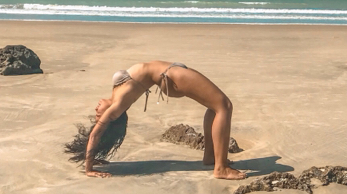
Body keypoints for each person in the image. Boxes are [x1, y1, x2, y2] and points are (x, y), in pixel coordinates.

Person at [66, 61, 246, 180]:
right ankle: (221, 168)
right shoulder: (117, 106)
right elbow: (95, 135)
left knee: (215, 107)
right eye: (99, 115)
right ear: (112, 118)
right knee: (224, 106)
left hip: (170, 73)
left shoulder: (116, 95)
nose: (96, 110)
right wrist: (89, 169)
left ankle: (210, 157)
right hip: (171, 76)